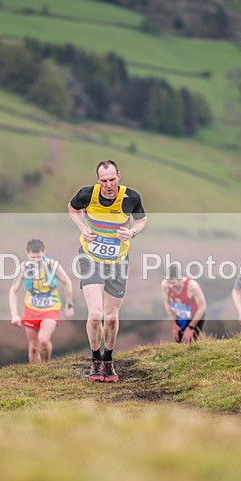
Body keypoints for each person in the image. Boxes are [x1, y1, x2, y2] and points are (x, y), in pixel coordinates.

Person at [67, 159, 147, 382]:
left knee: (111, 318)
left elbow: (142, 220)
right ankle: (95, 360)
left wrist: (132, 232)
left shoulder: (131, 197)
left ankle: (108, 360)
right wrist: (83, 228)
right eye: (104, 181)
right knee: (95, 314)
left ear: (119, 176)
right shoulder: (86, 194)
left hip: (118, 262)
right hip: (90, 258)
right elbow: (72, 208)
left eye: (112, 179)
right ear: (97, 180)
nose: (109, 184)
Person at [8, 238, 74, 364]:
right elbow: (13, 290)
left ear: (43, 252)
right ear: (28, 254)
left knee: (43, 340)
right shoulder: (23, 268)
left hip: (51, 307)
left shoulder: (52, 265)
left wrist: (69, 305)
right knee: (33, 348)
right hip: (31, 309)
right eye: (33, 257)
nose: (36, 260)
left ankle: (46, 365)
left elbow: (67, 282)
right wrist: (14, 315)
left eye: (39, 257)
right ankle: (36, 377)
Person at [161, 264, 207, 343]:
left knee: (190, 342)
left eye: (173, 283)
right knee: (179, 341)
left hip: (195, 315)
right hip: (180, 314)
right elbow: (167, 303)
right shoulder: (165, 285)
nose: (170, 286)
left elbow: (202, 307)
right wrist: (173, 324)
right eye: (169, 282)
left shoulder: (192, 286)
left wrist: (191, 327)